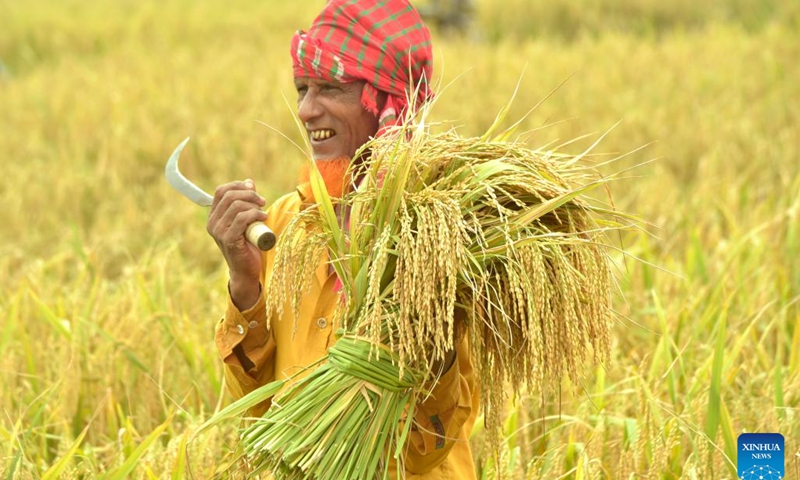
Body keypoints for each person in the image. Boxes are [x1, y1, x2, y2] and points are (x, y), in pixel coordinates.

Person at [207, 1, 479, 478]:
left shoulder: (443, 231)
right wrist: (245, 283)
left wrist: (430, 317)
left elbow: (427, 446)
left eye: (331, 87)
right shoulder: (287, 222)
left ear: (387, 99)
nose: (307, 109)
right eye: (302, 88)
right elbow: (259, 413)